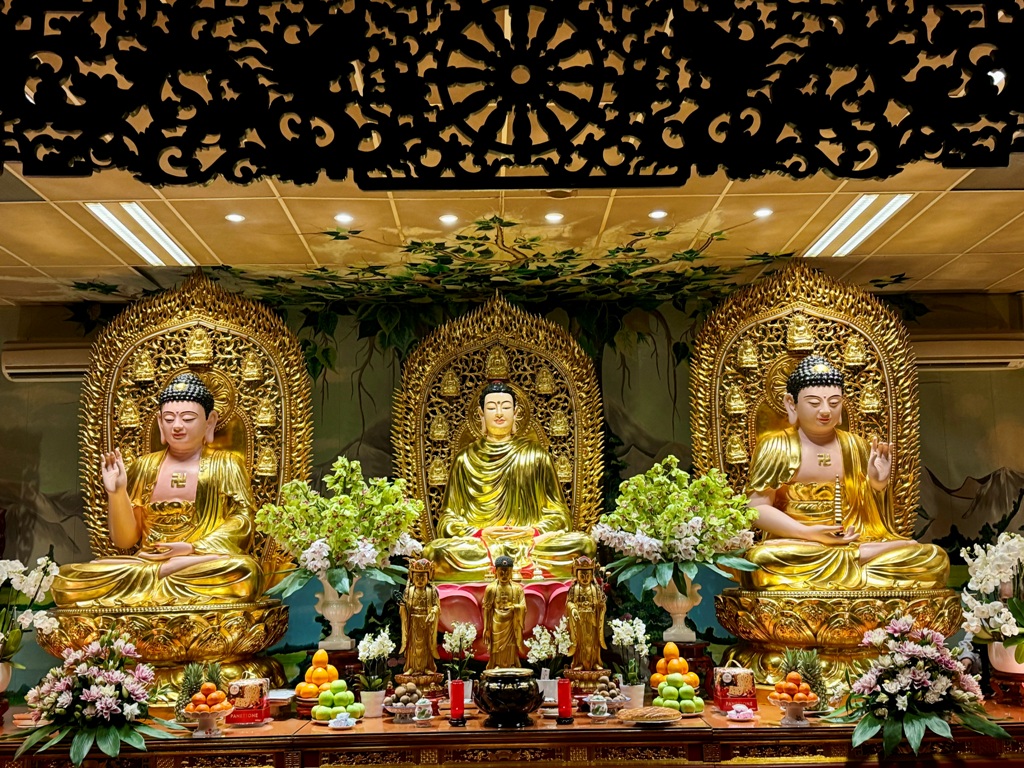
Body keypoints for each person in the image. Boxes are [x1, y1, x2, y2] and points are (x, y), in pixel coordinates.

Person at [52, 373, 263, 607]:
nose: (177, 426)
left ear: (209, 421)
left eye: (188, 418)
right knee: (68, 579)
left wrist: (191, 549)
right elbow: (125, 540)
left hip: (199, 563)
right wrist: (117, 493)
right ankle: (162, 574)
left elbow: (243, 521)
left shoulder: (226, 465)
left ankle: (165, 574)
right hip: (145, 564)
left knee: (245, 571)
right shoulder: (144, 467)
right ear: (160, 423)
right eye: (169, 419)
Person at [740, 356, 949, 590]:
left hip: (853, 541)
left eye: (834, 402)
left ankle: (856, 558)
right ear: (792, 404)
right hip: (800, 545)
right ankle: (859, 561)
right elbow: (756, 508)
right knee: (759, 561)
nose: (825, 411)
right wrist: (808, 533)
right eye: (814, 402)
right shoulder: (776, 446)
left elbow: (871, 518)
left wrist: (877, 485)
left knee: (934, 558)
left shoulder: (856, 446)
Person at [423, 381, 595, 581]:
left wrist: (531, 531)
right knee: (434, 553)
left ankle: (502, 567)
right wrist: (481, 532)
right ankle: (521, 568)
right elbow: (447, 520)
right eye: (491, 408)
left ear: (516, 413)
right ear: (480, 414)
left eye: (505, 407)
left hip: (531, 542)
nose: (499, 413)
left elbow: (560, 516)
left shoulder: (536, 455)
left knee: (584, 545)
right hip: (481, 543)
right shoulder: (465, 459)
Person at [482, 555, 526, 669]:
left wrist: (514, 608)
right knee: (496, 645)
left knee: (511, 644)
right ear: (496, 571)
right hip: (496, 622)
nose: (504, 575)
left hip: (512, 622)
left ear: (511, 572)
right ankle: (496, 664)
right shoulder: (491, 588)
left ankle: (511, 664)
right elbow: (487, 609)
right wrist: (486, 628)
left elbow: (523, 606)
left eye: (507, 572)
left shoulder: (517, 588)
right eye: (501, 572)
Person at [399, 558, 441, 675]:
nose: (420, 580)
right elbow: (405, 607)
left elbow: (436, 606)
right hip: (412, 621)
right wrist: (403, 606)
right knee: (412, 645)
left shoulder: (431, 591)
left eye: (423, 577)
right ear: (412, 577)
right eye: (417, 577)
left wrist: (433, 612)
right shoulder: (409, 591)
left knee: (426, 645)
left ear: (428, 577)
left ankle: (427, 667)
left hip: (426, 621)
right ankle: (412, 667)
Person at [565, 556, 606, 671]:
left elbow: (600, 604)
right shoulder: (574, 589)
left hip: (592, 619)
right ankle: (579, 663)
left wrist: (601, 605)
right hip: (579, 620)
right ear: (577, 575)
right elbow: (569, 602)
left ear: (592, 575)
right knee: (580, 642)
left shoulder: (595, 589)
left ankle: (594, 662)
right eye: (582, 576)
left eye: (587, 575)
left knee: (593, 642)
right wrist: (573, 609)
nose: (585, 578)